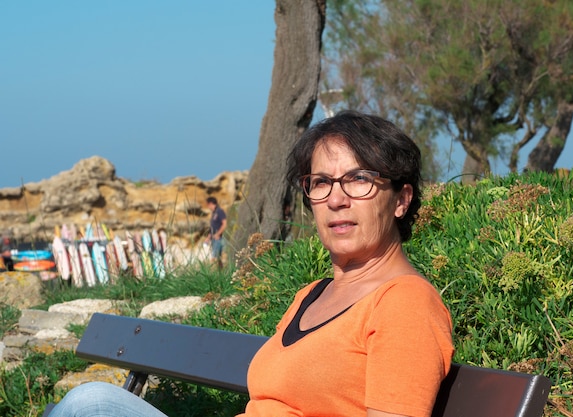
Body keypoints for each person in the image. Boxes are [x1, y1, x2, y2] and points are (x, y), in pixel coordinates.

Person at [49, 110, 454, 417]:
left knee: (93, 404)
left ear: (401, 199)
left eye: (358, 179)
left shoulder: (405, 304)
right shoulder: (311, 295)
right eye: (322, 183)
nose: (336, 199)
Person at [203, 196, 227, 268]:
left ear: (210, 204)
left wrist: (218, 234)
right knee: (217, 259)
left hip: (218, 239)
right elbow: (212, 228)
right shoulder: (214, 213)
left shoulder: (219, 211)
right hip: (213, 239)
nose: (208, 207)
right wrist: (208, 238)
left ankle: (217, 274)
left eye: (208, 205)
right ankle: (220, 274)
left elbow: (224, 223)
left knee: (215, 258)